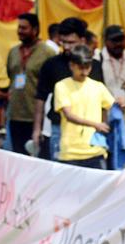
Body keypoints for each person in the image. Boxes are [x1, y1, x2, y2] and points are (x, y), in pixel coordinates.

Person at [34, 17, 105, 160]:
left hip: (89, 130)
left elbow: (102, 100)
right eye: (63, 42)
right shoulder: (51, 64)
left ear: (83, 40)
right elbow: (40, 97)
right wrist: (36, 129)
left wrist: (102, 126)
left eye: (71, 42)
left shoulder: (94, 66)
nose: (66, 47)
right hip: (59, 128)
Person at [54, 44, 116, 170]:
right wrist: (96, 124)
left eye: (87, 67)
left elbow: (113, 107)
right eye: (80, 68)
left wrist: (121, 105)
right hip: (70, 153)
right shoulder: (62, 86)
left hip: (96, 151)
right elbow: (69, 115)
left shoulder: (98, 86)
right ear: (71, 65)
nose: (84, 71)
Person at [5, 12, 55, 156]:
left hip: (37, 117)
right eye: (19, 28)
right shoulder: (13, 52)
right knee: (17, 157)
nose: (20, 31)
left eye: (24, 28)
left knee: (37, 160)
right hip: (15, 115)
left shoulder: (47, 52)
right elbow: (10, 75)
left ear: (35, 29)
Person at [97, 24, 125, 103]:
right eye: (114, 40)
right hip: (106, 111)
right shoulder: (98, 60)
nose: (118, 44)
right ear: (105, 41)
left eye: (121, 40)